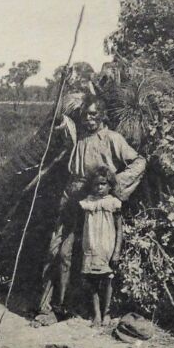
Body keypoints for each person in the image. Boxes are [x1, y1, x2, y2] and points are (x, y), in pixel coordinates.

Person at [35, 93, 146, 325]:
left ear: (103, 115)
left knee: (93, 256)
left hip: (97, 204)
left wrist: (116, 184)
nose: (90, 119)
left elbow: (139, 162)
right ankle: (54, 307)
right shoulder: (78, 137)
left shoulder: (112, 139)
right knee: (58, 252)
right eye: (86, 114)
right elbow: (62, 122)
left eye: (94, 114)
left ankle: (92, 309)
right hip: (71, 199)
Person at [79, 166, 122, 327]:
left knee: (108, 280)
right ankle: (96, 313)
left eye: (103, 184)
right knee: (92, 280)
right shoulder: (88, 202)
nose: (99, 187)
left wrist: (116, 251)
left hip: (107, 246)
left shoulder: (113, 203)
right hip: (91, 244)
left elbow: (119, 229)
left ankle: (107, 313)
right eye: (96, 184)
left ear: (110, 185)